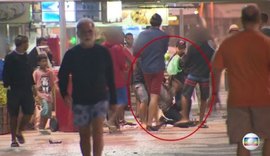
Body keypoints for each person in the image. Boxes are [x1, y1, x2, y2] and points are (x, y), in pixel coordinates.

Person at [211, 5, 270, 156]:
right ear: (258, 20)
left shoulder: (229, 43)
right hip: (263, 100)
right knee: (268, 138)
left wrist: (215, 93)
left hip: (237, 101)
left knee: (245, 141)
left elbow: (216, 69)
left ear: (242, 20)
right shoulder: (265, 43)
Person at [58, 18, 117, 156]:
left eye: (90, 31)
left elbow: (110, 77)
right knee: (84, 134)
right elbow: (63, 75)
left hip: (100, 99)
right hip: (80, 100)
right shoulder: (72, 54)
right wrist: (64, 93)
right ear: (78, 34)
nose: (87, 34)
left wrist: (113, 100)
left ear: (94, 32)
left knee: (97, 133)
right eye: (83, 32)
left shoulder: (103, 52)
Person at [133, 13, 169, 131]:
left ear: (150, 22)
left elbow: (136, 51)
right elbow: (164, 51)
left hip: (146, 68)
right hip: (158, 68)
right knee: (154, 96)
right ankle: (150, 122)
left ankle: (154, 121)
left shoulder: (142, 34)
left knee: (150, 95)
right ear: (160, 23)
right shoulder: (164, 36)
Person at [174, 27, 215, 128]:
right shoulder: (210, 49)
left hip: (193, 74)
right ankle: (201, 121)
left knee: (185, 95)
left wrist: (186, 69)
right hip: (205, 76)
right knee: (204, 98)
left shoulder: (193, 47)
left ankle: (185, 118)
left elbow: (186, 61)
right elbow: (213, 62)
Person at [2, 35, 35, 147]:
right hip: (14, 89)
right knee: (13, 114)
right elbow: (6, 72)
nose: (27, 45)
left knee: (29, 111)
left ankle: (19, 130)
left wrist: (32, 85)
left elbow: (29, 71)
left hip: (26, 89)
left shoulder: (27, 56)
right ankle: (13, 139)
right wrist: (7, 85)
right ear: (21, 44)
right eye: (26, 43)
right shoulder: (10, 57)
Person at [102, 28, 132, 131]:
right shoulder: (118, 48)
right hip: (118, 80)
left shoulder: (102, 47)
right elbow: (122, 64)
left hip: (105, 80)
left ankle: (113, 126)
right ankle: (111, 120)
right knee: (122, 101)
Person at [33, 54, 56, 134]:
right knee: (45, 109)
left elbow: (53, 83)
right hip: (41, 95)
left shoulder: (50, 72)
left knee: (48, 112)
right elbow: (34, 84)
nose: (45, 63)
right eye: (43, 61)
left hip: (48, 95)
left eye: (46, 61)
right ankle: (40, 126)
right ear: (38, 62)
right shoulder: (36, 72)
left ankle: (43, 128)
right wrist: (36, 95)